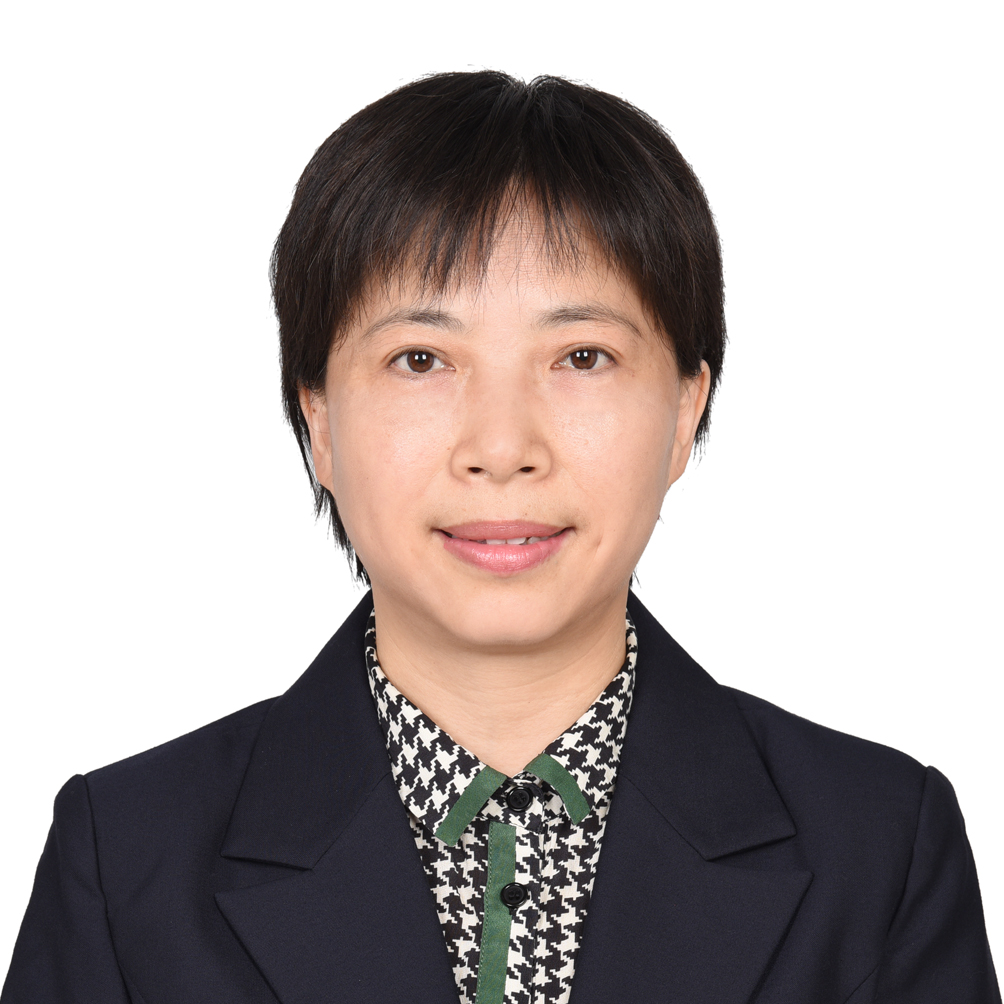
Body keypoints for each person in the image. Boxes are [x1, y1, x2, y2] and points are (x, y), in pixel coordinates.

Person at [2, 70, 998, 1004]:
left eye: (582, 356)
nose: (502, 447)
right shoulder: (125, 863)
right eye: (421, 358)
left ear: (685, 409)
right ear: (319, 420)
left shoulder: (880, 851)